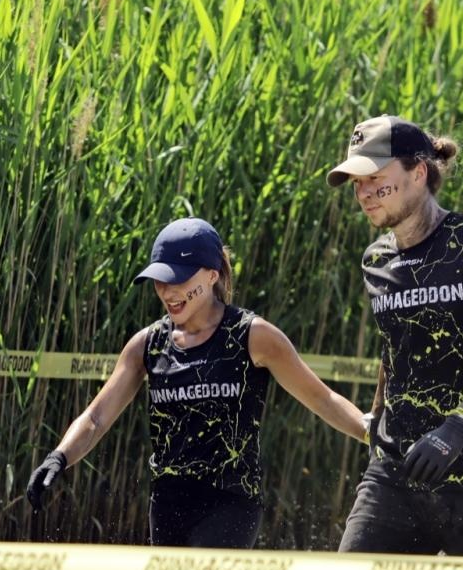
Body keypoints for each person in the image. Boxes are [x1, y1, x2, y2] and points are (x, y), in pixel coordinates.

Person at [24, 217, 369, 548]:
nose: (167, 292)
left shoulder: (253, 335)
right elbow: (97, 417)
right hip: (167, 503)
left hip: (232, 502)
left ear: (212, 275)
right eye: (160, 281)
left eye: (179, 281)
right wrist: (59, 457)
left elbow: (323, 399)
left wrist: (373, 435)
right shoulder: (146, 344)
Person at [325, 116, 463, 570]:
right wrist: (376, 418)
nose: (365, 193)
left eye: (376, 178)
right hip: (395, 475)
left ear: (419, 172)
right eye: (358, 183)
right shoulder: (376, 259)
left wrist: (455, 429)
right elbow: (393, 347)